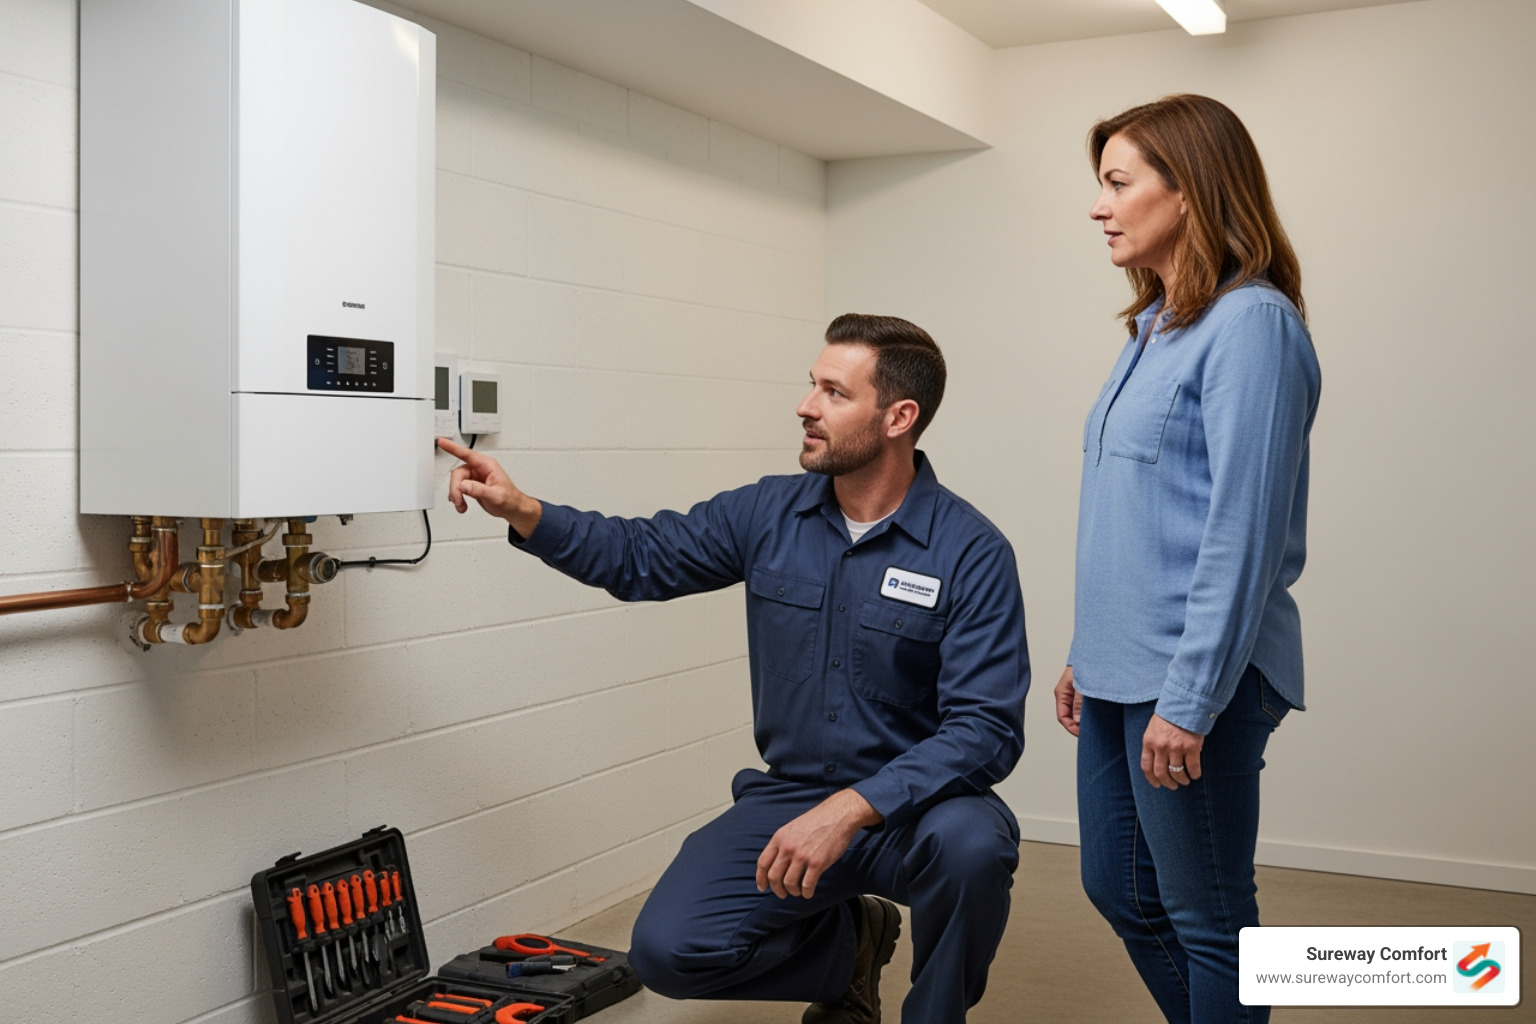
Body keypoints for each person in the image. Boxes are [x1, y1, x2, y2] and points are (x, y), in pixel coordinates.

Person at [439, 314, 1029, 1024]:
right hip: (794, 801)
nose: (806, 406)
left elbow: (986, 729)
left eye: (834, 393)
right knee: (667, 951)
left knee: (973, 846)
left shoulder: (971, 551)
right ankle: (850, 950)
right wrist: (525, 510)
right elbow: (640, 557)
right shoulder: (766, 513)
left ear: (898, 416)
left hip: (919, 810)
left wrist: (854, 808)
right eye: (811, 386)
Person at [1053, 94, 1321, 1024]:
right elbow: (1136, 518)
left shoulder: (1252, 326)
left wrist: (1192, 697)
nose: (1100, 206)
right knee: (1120, 890)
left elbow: (1241, 535)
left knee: (1209, 917)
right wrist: (1090, 649)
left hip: (1194, 678)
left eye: (1118, 183)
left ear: (1190, 189)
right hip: (1121, 672)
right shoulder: (1156, 328)